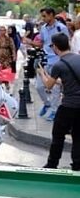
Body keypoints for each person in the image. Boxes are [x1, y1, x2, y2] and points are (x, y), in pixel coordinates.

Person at [39, 33, 80, 170]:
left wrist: (42, 74)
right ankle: (77, 165)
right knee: (78, 136)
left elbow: (48, 85)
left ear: (55, 47)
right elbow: (68, 81)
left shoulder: (59, 65)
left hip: (68, 106)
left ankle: (52, 164)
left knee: (58, 136)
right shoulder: (78, 59)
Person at [37, 7, 70, 121]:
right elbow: (42, 43)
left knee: (56, 88)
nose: (43, 18)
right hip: (46, 60)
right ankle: (47, 104)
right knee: (40, 86)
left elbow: (67, 44)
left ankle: (54, 111)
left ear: (51, 15)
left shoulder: (61, 28)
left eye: (45, 16)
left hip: (57, 60)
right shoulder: (43, 28)